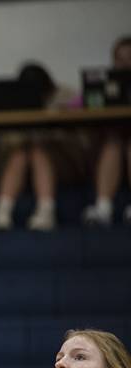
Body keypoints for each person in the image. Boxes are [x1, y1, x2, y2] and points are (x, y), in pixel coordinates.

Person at [0, 62, 87, 231]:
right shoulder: (12, 102)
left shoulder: (66, 97)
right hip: (22, 165)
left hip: (63, 162)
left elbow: (80, 140)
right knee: (21, 153)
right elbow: (4, 142)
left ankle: (46, 211)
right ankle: (2, 212)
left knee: (38, 151)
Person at [82, 35, 131, 227]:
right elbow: (80, 103)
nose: (126, 63)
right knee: (113, 144)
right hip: (109, 148)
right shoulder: (103, 84)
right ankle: (103, 208)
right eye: (120, 58)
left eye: (130, 57)